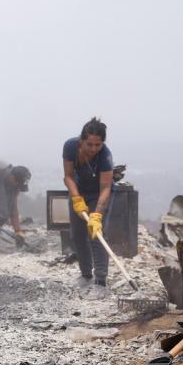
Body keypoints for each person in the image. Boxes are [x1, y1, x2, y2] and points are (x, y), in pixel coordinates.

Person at [63, 117, 114, 299]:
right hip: (79, 192)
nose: (93, 149)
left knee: (96, 234)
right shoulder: (70, 147)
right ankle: (86, 275)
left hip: (98, 195)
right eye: (89, 144)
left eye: (97, 145)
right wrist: (76, 199)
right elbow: (68, 176)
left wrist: (97, 214)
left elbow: (106, 187)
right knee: (77, 235)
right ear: (82, 140)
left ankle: (100, 282)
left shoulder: (105, 156)